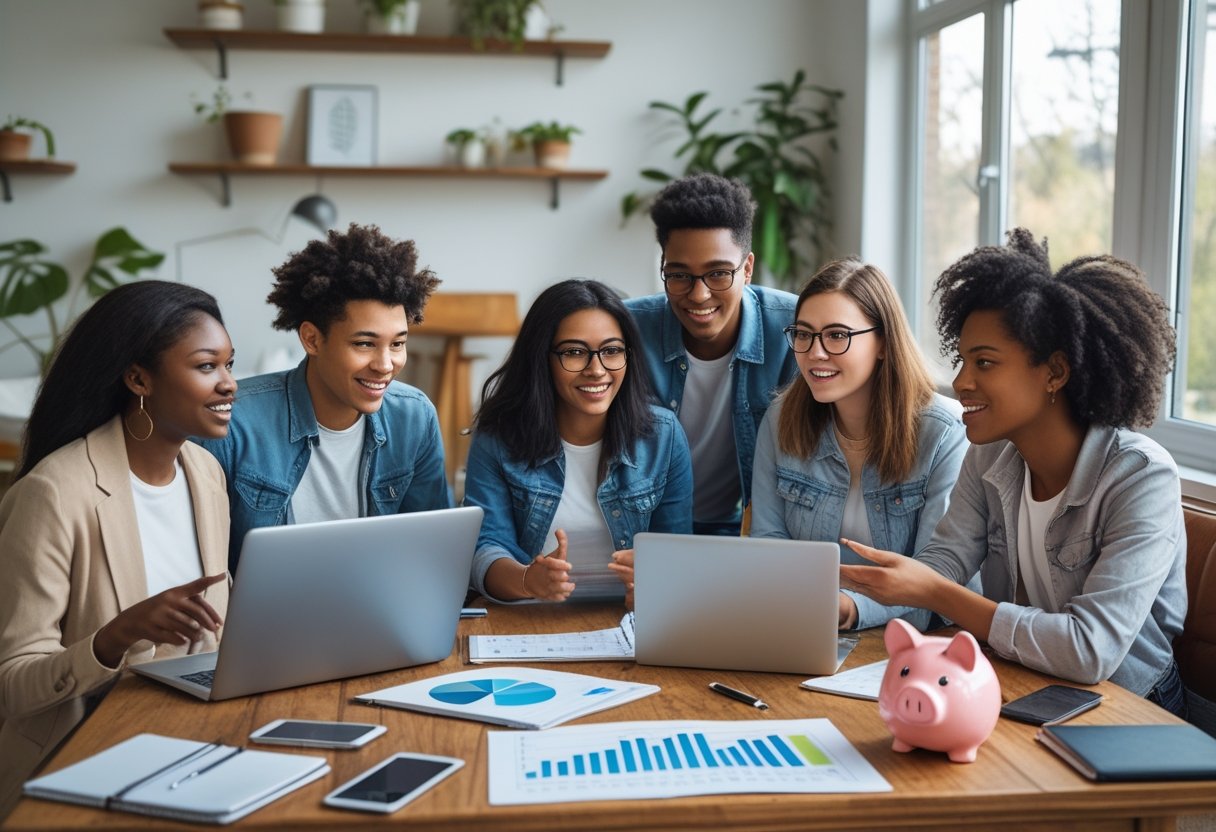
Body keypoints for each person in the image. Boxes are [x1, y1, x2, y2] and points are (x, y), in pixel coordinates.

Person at [840, 229, 1188, 714]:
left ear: (1055, 373)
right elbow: (946, 559)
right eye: (962, 360)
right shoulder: (988, 455)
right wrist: (859, 590)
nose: (961, 382)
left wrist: (936, 591)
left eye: (985, 362)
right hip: (1023, 683)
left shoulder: (1140, 477)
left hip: (1131, 707)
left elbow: (1090, 652)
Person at [0, 281, 237, 817]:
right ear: (138, 379)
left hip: (193, 738)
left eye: (229, 364)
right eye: (206, 367)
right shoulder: (55, 494)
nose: (229, 385)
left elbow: (219, 626)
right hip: (83, 756)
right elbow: (12, 685)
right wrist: (113, 638)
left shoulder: (205, 474)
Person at [201, 223, 449, 572]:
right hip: (266, 621)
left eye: (398, 343)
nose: (385, 365)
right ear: (312, 339)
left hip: (375, 612)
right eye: (364, 344)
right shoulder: (233, 421)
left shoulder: (414, 417)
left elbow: (431, 551)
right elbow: (201, 564)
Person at [750, 258, 968, 632]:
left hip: (924, 639)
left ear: (883, 342)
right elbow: (769, 542)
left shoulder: (945, 432)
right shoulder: (781, 416)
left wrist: (852, 607)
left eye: (837, 335)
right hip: (808, 625)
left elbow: (935, 579)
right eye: (803, 334)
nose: (815, 352)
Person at [463, 279, 693, 605]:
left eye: (612, 351)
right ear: (541, 358)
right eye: (574, 353)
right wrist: (529, 580)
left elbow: (678, 551)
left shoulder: (664, 436)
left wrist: (654, 589)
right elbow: (483, 551)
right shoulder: (498, 438)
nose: (596, 370)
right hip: (528, 619)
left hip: (626, 623)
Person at [625, 174, 798, 535]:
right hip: (645, 529)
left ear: (747, 269)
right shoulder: (626, 331)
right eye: (679, 275)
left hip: (749, 532)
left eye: (718, 273)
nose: (699, 295)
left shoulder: (795, 330)